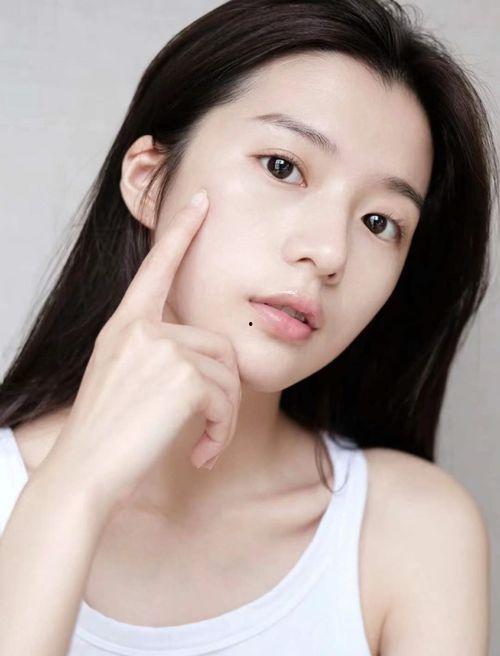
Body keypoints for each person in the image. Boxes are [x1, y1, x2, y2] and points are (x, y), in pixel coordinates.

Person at [0, 0, 497, 654]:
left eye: (379, 222)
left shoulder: (411, 534)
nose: (330, 252)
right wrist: (71, 492)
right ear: (149, 181)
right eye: (283, 167)